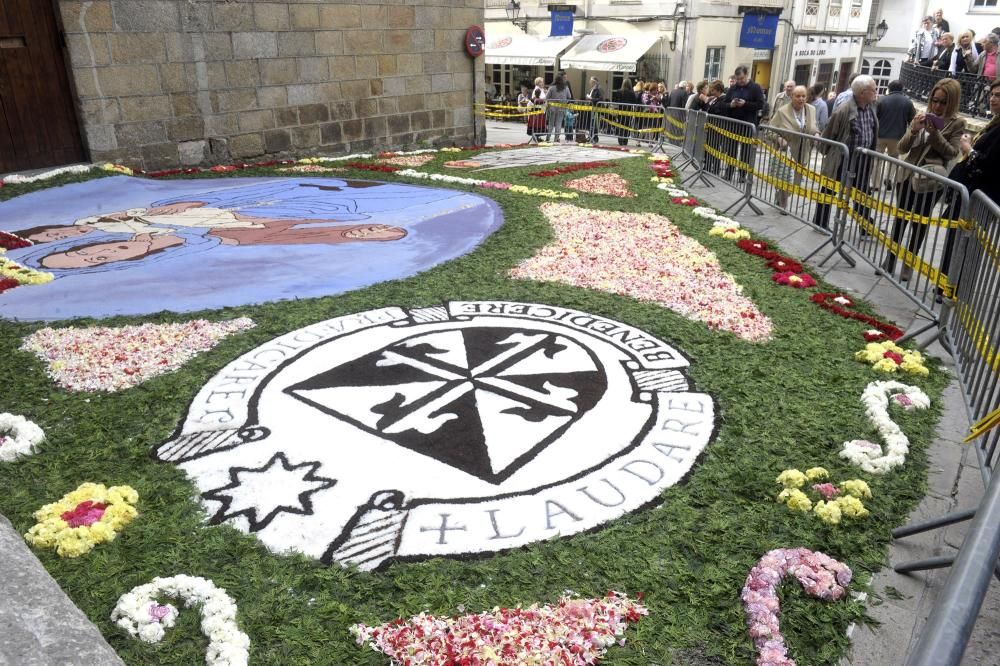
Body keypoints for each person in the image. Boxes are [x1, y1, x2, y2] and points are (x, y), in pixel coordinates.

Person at [883, 79, 965, 282]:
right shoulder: (921, 114)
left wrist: (934, 134)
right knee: (900, 219)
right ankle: (890, 258)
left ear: (951, 102)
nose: (937, 106)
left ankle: (909, 263)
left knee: (919, 224)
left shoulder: (957, 123)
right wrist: (913, 130)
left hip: (929, 182)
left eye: (943, 102)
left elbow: (952, 152)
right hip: (907, 175)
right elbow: (902, 148)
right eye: (934, 100)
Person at [937, 80, 1000, 294]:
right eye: (992, 94)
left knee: (965, 244)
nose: (993, 99)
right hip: (971, 193)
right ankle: (948, 284)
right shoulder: (994, 122)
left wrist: (968, 148)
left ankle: (953, 288)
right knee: (956, 240)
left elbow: (988, 165)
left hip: (981, 196)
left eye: (998, 95)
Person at [814, 75, 879, 230]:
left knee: (862, 193)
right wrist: (830, 155)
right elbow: (829, 134)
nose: (876, 92)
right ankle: (820, 221)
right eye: (873, 89)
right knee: (830, 189)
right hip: (843, 159)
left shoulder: (871, 107)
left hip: (862, 160)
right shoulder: (843, 109)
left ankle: (865, 226)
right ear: (863, 93)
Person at [766, 85, 819, 212]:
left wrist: (817, 134)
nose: (801, 99)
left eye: (803, 96)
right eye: (798, 96)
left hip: (803, 152)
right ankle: (783, 203)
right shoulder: (782, 112)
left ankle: (780, 196)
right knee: (785, 179)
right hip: (786, 152)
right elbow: (770, 131)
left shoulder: (811, 110)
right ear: (791, 97)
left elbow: (814, 127)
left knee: (795, 182)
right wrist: (779, 139)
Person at [722, 65, 764, 182]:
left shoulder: (755, 88)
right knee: (731, 149)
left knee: (746, 150)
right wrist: (731, 105)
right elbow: (724, 104)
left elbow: (760, 104)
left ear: (746, 75)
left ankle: (742, 174)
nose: (740, 82)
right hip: (734, 123)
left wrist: (745, 104)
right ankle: (729, 172)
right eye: (738, 79)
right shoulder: (733, 88)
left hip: (748, 123)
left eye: (742, 79)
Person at [873, 80, 916, 189]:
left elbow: (874, 117)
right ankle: (888, 179)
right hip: (898, 137)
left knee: (876, 159)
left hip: (880, 135)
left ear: (889, 88)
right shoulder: (907, 102)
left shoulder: (881, 100)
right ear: (902, 89)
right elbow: (912, 120)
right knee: (893, 159)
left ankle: (875, 184)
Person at [703, 79, 728, 174]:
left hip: (718, 128)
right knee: (710, 147)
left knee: (715, 148)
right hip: (712, 127)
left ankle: (715, 168)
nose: (711, 92)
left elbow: (717, 111)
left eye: (712, 90)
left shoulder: (723, 99)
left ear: (718, 90)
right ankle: (709, 166)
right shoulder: (715, 99)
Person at [543, 74, 572, 142]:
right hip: (561, 109)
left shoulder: (551, 88)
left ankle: (548, 137)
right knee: (558, 124)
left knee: (551, 123)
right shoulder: (566, 88)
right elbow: (569, 96)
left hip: (552, 109)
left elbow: (546, 97)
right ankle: (556, 138)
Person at [611, 78, 638, 146]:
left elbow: (615, 101)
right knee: (626, 126)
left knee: (620, 125)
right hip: (628, 111)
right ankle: (625, 140)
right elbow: (635, 102)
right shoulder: (631, 93)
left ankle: (620, 140)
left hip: (620, 111)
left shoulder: (619, 91)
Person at [585, 76, 604, 142]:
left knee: (594, 123)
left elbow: (601, 99)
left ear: (595, 82)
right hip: (590, 108)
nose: (590, 82)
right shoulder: (591, 89)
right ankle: (590, 136)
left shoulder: (599, 89)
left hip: (596, 108)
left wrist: (591, 99)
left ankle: (595, 137)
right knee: (590, 123)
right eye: (590, 81)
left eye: (592, 81)